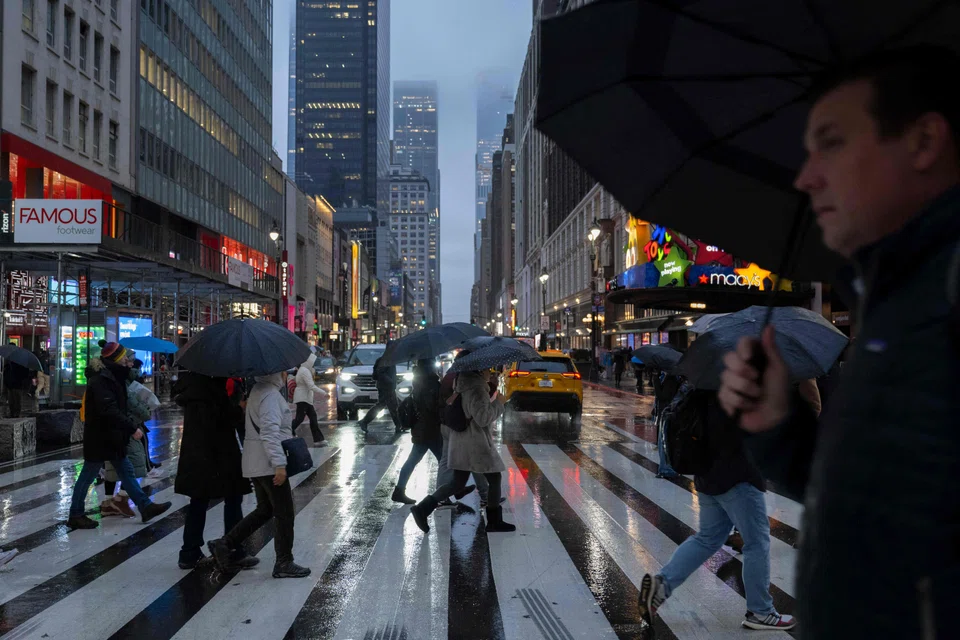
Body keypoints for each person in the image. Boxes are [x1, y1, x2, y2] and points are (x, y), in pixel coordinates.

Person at [716, 47, 960, 638]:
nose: (806, 177)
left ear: (924, 141)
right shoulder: (899, 303)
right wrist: (779, 425)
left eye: (832, 142)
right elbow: (873, 503)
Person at [639, 391, 795, 631]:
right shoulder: (738, 389)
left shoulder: (703, 387)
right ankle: (761, 611)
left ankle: (661, 586)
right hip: (738, 478)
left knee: (707, 538)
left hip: (708, 476)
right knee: (757, 541)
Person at [208, 372, 311, 578]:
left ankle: (224, 544)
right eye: (284, 371)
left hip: (256, 462)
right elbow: (269, 432)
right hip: (268, 464)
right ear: (275, 373)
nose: (286, 375)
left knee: (265, 509)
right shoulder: (271, 396)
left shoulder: (258, 391)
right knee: (284, 513)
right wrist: (279, 464)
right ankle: (284, 562)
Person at [66, 343, 171, 529]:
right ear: (115, 359)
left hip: (112, 437)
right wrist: (132, 428)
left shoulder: (114, 377)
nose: (128, 362)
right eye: (124, 358)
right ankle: (75, 514)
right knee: (87, 476)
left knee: (126, 472)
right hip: (100, 437)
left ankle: (145, 506)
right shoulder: (101, 381)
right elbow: (109, 410)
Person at [410, 365, 514, 533]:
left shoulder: (462, 384)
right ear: (479, 370)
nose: (490, 372)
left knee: (457, 482)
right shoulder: (477, 389)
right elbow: (483, 418)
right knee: (494, 479)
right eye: (488, 369)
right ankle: (494, 521)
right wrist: (499, 403)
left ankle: (423, 508)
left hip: (461, 440)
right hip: (476, 442)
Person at [173, 372, 259, 570]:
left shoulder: (194, 387)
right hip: (218, 454)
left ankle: (189, 552)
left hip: (197, 455)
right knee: (233, 497)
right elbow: (226, 417)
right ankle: (233, 549)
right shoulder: (212, 389)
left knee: (199, 501)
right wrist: (239, 407)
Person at [391, 358, 443, 504]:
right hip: (430, 429)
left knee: (414, 460)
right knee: (444, 461)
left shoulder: (419, 380)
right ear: (430, 366)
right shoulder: (430, 383)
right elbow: (431, 407)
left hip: (422, 428)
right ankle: (446, 493)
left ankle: (399, 491)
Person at [358, 354, 402, 433]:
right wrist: (390, 381)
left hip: (388, 386)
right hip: (386, 387)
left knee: (392, 406)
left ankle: (399, 426)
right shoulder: (385, 360)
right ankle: (364, 422)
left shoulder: (389, 359)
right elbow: (380, 373)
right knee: (386, 405)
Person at [291, 353, 329, 446]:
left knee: (312, 418)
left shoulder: (304, 370)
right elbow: (311, 385)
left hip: (305, 398)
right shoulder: (304, 371)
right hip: (303, 398)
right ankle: (287, 431)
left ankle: (318, 439)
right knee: (300, 419)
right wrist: (323, 393)